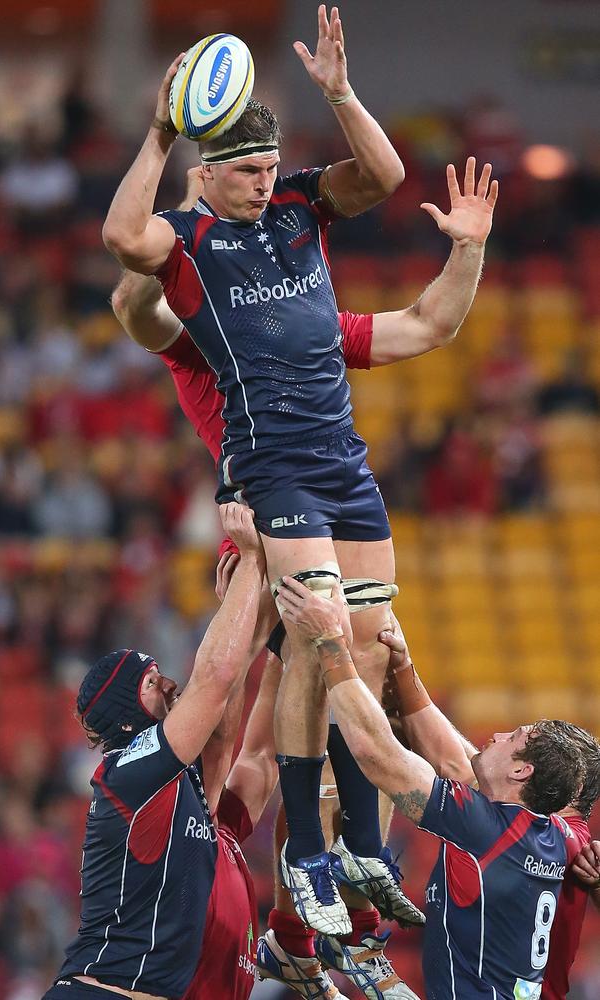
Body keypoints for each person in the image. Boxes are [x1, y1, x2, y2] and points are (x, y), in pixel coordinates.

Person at [102, 1, 498, 937]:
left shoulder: (297, 218)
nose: (263, 184)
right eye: (246, 172)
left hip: (344, 468)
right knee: (316, 652)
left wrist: (341, 94)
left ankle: (356, 847)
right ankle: (307, 860)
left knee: (361, 646)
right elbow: (127, 256)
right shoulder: (189, 262)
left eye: (272, 169)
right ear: (207, 172)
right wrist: (159, 133)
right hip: (268, 474)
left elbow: (397, 212)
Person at [275, 576, 590, 1000]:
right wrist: (404, 670)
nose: (495, 736)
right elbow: (455, 761)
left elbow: (378, 754)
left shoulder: (482, 828)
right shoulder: (560, 838)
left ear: (522, 774)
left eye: (511, 737)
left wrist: (329, 641)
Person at [41, 502, 277, 1000]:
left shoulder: (170, 779)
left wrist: (252, 607)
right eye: (152, 682)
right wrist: (252, 561)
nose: (171, 686)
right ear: (127, 713)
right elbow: (213, 682)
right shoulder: (128, 772)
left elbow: (220, 731)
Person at [378, 617, 600, 1000]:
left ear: (570, 782)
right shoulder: (560, 834)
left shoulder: (554, 836)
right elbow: (467, 763)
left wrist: (401, 670)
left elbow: (458, 765)